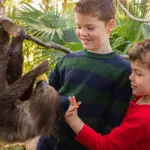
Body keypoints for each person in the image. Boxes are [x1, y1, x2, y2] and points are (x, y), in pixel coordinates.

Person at [37, 0, 132, 149]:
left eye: (90, 27)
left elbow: (114, 123)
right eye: (78, 26)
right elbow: (48, 98)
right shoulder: (67, 61)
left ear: (110, 25)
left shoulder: (123, 70)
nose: (82, 33)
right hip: (49, 142)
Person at [65, 39, 150, 150]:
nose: (131, 77)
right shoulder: (143, 97)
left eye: (138, 73)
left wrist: (74, 121)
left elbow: (106, 146)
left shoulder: (143, 120)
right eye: (132, 71)